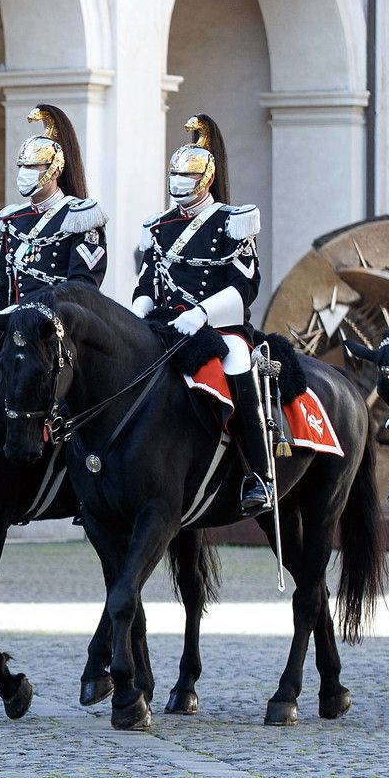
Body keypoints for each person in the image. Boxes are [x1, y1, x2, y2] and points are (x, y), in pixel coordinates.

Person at [132, 113, 271, 516]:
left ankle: (258, 474)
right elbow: (146, 285)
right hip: (165, 325)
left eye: (188, 175)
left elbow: (244, 287)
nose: (179, 181)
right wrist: (136, 314)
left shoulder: (233, 221)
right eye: (175, 174)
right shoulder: (157, 227)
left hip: (219, 326)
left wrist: (203, 313)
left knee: (238, 360)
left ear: (206, 178)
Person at [0, 105, 107, 313]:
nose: (24, 172)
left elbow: (83, 288)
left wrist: (24, 311)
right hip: (14, 320)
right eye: (22, 166)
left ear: (55, 171)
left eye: (32, 166)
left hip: (59, 322)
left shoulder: (80, 216)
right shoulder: (12, 219)